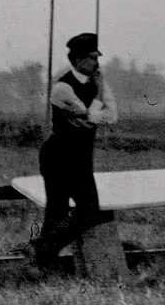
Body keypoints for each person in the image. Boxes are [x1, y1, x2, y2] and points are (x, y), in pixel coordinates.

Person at [29, 32, 118, 271]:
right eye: (92, 58)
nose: (97, 63)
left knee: (89, 210)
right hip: (58, 156)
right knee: (57, 211)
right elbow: (92, 118)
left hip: (81, 157)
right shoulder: (62, 88)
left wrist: (94, 110)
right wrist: (98, 101)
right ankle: (44, 263)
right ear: (79, 60)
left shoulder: (97, 83)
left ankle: (43, 251)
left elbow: (112, 116)